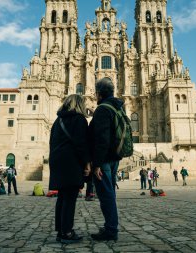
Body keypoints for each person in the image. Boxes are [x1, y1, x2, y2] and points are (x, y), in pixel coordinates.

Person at [49, 94, 91, 243]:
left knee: (62, 197)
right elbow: (82, 144)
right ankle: (67, 232)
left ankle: (61, 230)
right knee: (70, 198)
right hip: (71, 162)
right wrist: (86, 163)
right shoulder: (79, 120)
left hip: (57, 161)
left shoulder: (57, 121)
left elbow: (51, 143)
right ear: (79, 105)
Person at [89, 78, 124, 241]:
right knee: (110, 193)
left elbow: (101, 139)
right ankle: (111, 226)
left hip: (103, 159)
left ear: (99, 93)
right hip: (114, 157)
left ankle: (110, 230)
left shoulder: (102, 109)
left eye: (96, 93)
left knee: (105, 195)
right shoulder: (118, 107)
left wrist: (96, 164)